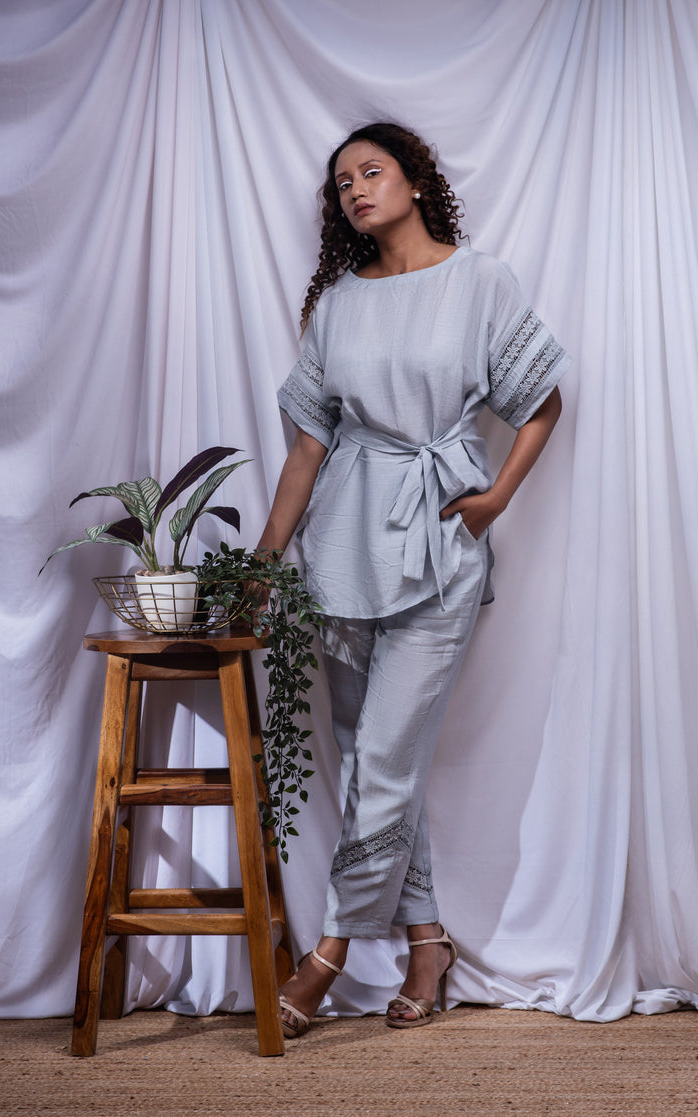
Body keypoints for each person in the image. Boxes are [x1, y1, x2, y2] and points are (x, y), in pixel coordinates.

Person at [254, 122, 570, 1036]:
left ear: (417, 181)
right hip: (342, 546)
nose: (356, 189)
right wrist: (263, 565)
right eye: (342, 182)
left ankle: (328, 953)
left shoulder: (481, 281)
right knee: (369, 758)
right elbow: (307, 451)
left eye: (372, 171)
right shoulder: (339, 304)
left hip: (437, 545)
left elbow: (544, 400)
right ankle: (428, 941)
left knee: (386, 756)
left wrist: (494, 501)